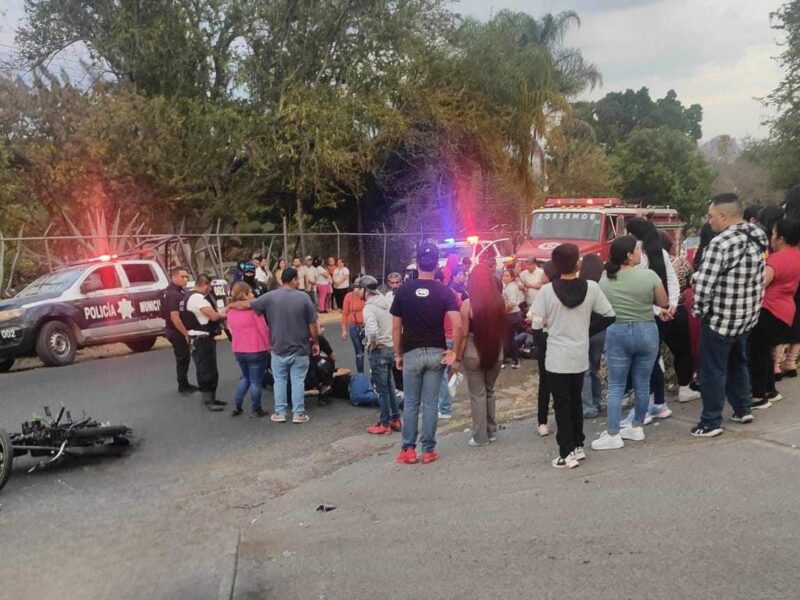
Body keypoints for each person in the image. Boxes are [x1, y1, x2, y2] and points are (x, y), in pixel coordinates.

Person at [531, 244, 615, 468]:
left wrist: (547, 345)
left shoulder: (547, 292)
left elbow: (536, 326)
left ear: (555, 266)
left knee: (561, 404)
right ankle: (578, 446)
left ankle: (565, 453)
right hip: (579, 353)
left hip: (556, 356)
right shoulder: (592, 288)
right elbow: (609, 315)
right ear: (578, 263)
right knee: (576, 401)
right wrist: (585, 330)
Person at [691, 194, 768, 437]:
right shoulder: (758, 236)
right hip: (746, 316)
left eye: (711, 216)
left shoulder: (719, 244)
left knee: (713, 370)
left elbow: (704, 285)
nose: (709, 220)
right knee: (738, 362)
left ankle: (711, 421)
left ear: (724, 216)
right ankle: (743, 408)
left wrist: (700, 311)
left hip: (721, 319)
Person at [592, 236, 669, 451]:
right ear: (629, 254)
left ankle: (613, 433)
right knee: (642, 383)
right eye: (637, 249)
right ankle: (636, 426)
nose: (640, 253)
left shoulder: (605, 280)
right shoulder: (649, 276)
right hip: (647, 330)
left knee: (616, 386)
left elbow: (600, 309)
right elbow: (663, 302)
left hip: (618, 331)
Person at [391, 241, 462, 465]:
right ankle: (428, 450)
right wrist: (455, 354)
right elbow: (458, 326)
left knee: (412, 402)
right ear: (436, 263)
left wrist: (398, 354)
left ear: (417, 261)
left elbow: (395, 327)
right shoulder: (445, 291)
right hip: (436, 352)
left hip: (411, 352)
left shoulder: (403, 291)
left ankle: (408, 449)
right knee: (431, 402)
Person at [239, 267, 320, 424]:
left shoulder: (270, 297)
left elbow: (249, 305)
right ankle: (298, 413)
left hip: (278, 347)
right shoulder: (304, 298)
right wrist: (315, 342)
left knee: (280, 381)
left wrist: (230, 306)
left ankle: (281, 412)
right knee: (297, 380)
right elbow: (312, 324)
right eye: (297, 278)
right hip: (300, 347)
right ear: (294, 279)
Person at [625, 217, 682, 421]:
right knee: (654, 359)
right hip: (664, 313)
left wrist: (659, 309)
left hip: (647, 315)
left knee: (644, 362)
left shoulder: (639, 259)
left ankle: (645, 407)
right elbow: (672, 280)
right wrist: (671, 305)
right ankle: (659, 403)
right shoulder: (662, 253)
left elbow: (638, 293)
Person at [748, 218, 800, 409]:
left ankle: (758, 395)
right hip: (786, 310)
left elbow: (760, 284)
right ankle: (770, 389)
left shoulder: (776, 259)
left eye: (773, 233)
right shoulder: (796, 255)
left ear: (781, 238)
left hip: (769, 309)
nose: (771, 237)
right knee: (766, 351)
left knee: (757, 352)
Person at [452, 264, 506, 446]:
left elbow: (464, 333)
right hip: (496, 350)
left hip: (473, 351)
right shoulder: (500, 301)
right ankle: (492, 432)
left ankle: (480, 436)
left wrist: (457, 357)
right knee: (490, 391)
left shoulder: (468, 305)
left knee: (477, 394)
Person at [180, 274, 228, 412]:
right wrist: (225, 314)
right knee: (207, 370)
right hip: (202, 338)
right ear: (205, 284)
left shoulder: (188, 297)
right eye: (209, 286)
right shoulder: (198, 298)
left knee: (206, 369)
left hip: (197, 338)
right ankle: (208, 400)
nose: (210, 289)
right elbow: (212, 316)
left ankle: (211, 398)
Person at [361, 275, 402, 435]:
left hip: (379, 350)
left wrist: (371, 342)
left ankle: (384, 422)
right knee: (390, 386)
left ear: (365, 291)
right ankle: (395, 418)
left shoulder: (369, 308)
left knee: (382, 389)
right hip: (390, 348)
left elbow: (371, 329)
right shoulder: (385, 303)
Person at [226, 282, 270, 417]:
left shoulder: (231, 311)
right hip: (256, 348)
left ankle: (238, 405)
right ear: (245, 295)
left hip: (239, 348)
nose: (253, 294)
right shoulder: (254, 311)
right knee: (256, 380)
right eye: (250, 292)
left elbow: (231, 329)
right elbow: (263, 329)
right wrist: (269, 345)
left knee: (245, 377)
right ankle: (256, 407)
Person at [528, 260, 560, 436]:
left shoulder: (544, 292)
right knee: (561, 382)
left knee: (545, 383)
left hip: (546, 342)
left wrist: (541, 346)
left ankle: (542, 422)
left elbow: (536, 323)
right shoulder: (564, 290)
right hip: (562, 342)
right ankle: (562, 417)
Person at [579, 254, 605, 419]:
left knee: (585, 371)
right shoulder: (602, 285)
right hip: (601, 332)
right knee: (595, 369)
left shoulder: (581, 286)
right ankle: (597, 402)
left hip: (584, 331)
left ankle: (588, 408)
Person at [434, 268, 463, 419]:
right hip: (454, 337)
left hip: (443, 337)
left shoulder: (435, 295)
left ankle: (445, 408)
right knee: (450, 371)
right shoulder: (452, 293)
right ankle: (446, 403)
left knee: (442, 374)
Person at [164, 267, 197, 395]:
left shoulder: (179, 292)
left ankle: (185, 383)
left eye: (186, 277)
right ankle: (183, 386)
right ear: (173, 277)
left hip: (177, 330)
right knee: (182, 358)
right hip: (176, 331)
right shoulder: (173, 294)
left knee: (185, 358)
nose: (185, 279)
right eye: (182, 277)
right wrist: (185, 334)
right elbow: (175, 317)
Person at [341, 282, 367, 373]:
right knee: (359, 353)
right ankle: (361, 375)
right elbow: (344, 314)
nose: (357, 288)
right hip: (354, 327)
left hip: (366, 327)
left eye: (360, 286)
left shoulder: (367, 295)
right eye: (356, 285)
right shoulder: (349, 296)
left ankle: (374, 377)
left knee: (372, 352)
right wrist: (344, 330)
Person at [501, 268, 524, 368]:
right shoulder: (509, 287)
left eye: (507, 276)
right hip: (514, 314)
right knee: (509, 338)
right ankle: (512, 359)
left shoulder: (510, 288)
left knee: (508, 338)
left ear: (512, 278)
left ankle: (514, 361)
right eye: (503, 275)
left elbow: (512, 302)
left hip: (512, 315)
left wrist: (503, 311)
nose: (504, 277)